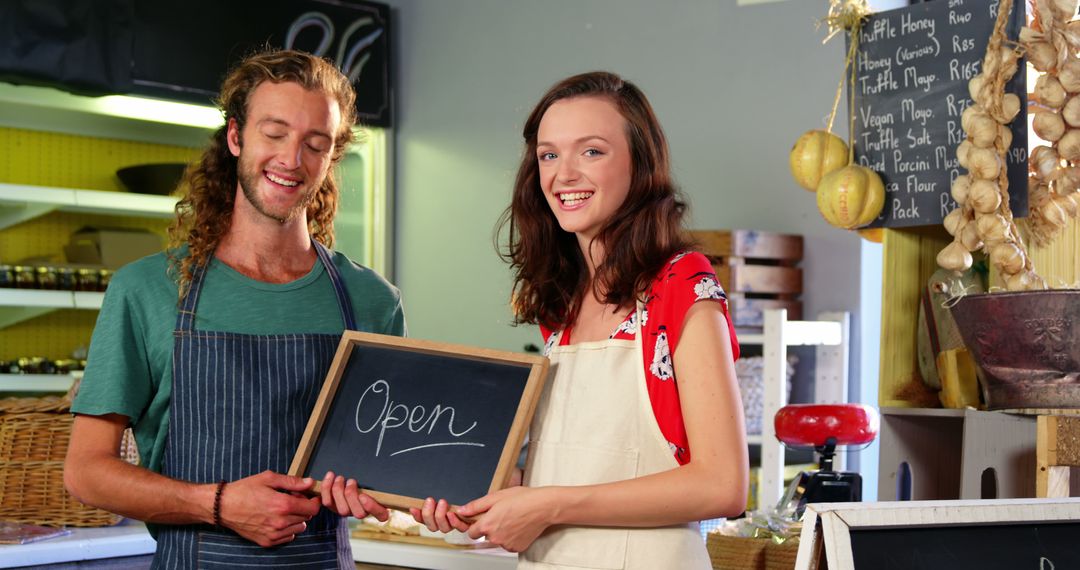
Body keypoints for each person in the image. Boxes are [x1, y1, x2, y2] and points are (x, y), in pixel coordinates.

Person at [63, 49, 402, 568]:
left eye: (316, 143)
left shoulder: (372, 301)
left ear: (332, 157)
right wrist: (218, 505)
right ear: (236, 136)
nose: (292, 159)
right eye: (274, 133)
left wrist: (375, 489)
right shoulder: (147, 289)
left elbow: (380, 463)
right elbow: (86, 471)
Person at [412, 71, 749, 568]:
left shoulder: (681, 284)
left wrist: (548, 505)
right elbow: (580, 471)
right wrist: (494, 497)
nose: (563, 174)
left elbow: (723, 484)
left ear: (640, 163)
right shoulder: (561, 306)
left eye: (591, 151)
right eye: (549, 155)